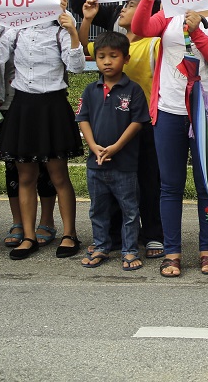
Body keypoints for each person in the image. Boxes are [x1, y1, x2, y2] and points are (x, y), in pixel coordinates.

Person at [0, 0, 86, 260]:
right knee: (26, 175)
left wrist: (72, 31)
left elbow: (77, 67)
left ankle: (69, 233)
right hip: (23, 106)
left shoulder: (59, 30)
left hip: (52, 105)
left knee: (58, 174)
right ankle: (29, 235)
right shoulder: (14, 30)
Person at [133, 0, 208, 277]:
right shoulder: (170, 9)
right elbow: (140, 29)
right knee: (170, 186)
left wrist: (197, 32)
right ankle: (172, 252)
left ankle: (207, 249)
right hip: (169, 108)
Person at [80, 0, 164, 259]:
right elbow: (84, 45)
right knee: (115, 184)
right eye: (125, 5)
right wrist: (87, 19)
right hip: (113, 123)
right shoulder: (113, 42)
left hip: (146, 122)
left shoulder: (155, 43)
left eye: (133, 5)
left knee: (149, 182)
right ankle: (114, 238)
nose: (124, 8)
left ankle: (152, 235)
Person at [0, 0, 59, 248]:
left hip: (42, 101)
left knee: (46, 164)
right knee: (15, 165)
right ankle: (19, 222)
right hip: (10, 102)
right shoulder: (6, 23)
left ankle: (47, 221)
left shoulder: (53, 26)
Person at [76, 31, 151, 272]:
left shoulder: (134, 90)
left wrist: (117, 146)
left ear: (126, 59)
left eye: (113, 56)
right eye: (101, 57)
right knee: (98, 208)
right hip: (95, 164)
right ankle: (100, 245)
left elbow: (138, 122)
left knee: (129, 209)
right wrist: (92, 146)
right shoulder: (90, 90)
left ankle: (129, 250)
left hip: (125, 165)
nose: (107, 61)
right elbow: (83, 119)